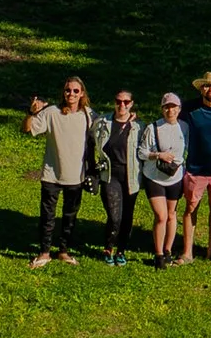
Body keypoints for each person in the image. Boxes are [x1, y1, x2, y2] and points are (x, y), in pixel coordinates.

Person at [25, 74, 93, 265]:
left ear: (82, 94)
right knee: (47, 217)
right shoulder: (51, 112)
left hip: (76, 176)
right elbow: (27, 130)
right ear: (63, 92)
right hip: (51, 174)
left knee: (70, 217)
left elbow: (107, 128)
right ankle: (44, 252)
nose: (71, 93)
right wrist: (31, 113)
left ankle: (64, 251)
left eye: (75, 91)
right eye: (68, 90)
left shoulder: (88, 115)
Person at [179, 69, 211, 262]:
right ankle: (187, 252)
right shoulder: (189, 109)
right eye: (208, 85)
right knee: (191, 208)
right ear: (201, 89)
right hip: (195, 167)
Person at [89, 87, 144, 265]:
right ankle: (108, 247)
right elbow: (89, 136)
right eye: (118, 101)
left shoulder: (139, 126)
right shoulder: (103, 121)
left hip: (131, 176)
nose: (122, 105)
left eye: (126, 102)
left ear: (132, 104)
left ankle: (121, 250)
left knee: (127, 216)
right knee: (115, 216)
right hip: (110, 174)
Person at [142, 89, 189, 266]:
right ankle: (158, 253)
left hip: (175, 177)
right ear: (162, 109)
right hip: (154, 176)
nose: (171, 111)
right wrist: (158, 155)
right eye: (167, 107)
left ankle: (168, 249)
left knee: (171, 214)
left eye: (174, 107)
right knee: (161, 215)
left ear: (179, 108)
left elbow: (187, 149)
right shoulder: (153, 127)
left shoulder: (184, 127)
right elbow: (142, 152)